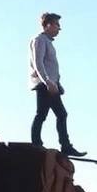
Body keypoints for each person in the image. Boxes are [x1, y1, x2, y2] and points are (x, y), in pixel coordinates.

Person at [29, 12, 86, 157]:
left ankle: (65, 146)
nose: (59, 28)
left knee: (61, 114)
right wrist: (47, 81)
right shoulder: (39, 40)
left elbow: (50, 65)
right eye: (56, 24)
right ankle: (36, 144)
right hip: (45, 85)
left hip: (52, 85)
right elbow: (38, 63)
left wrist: (57, 83)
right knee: (42, 114)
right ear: (47, 24)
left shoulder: (47, 42)